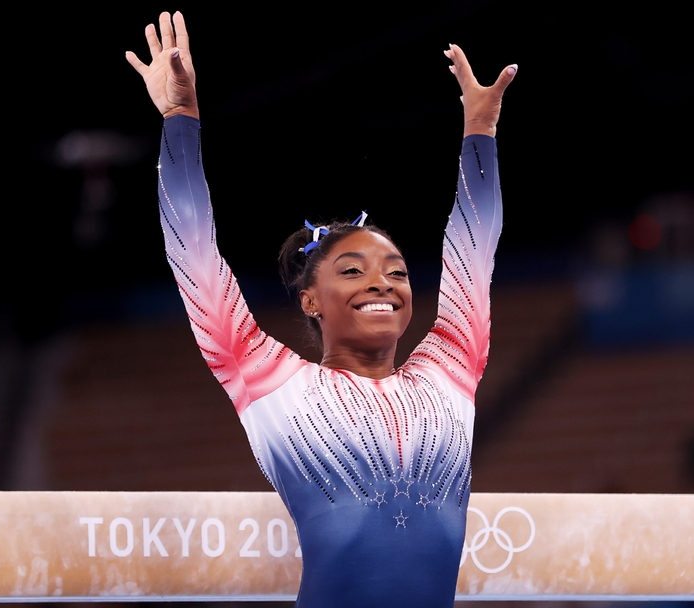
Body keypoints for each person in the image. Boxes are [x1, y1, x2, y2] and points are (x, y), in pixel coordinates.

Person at [127, 12, 515, 608]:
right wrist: (180, 119)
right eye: (353, 271)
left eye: (397, 271)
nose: (381, 283)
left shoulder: (450, 369)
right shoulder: (266, 379)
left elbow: (475, 242)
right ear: (311, 301)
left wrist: (480, 133)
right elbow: (193, 248)